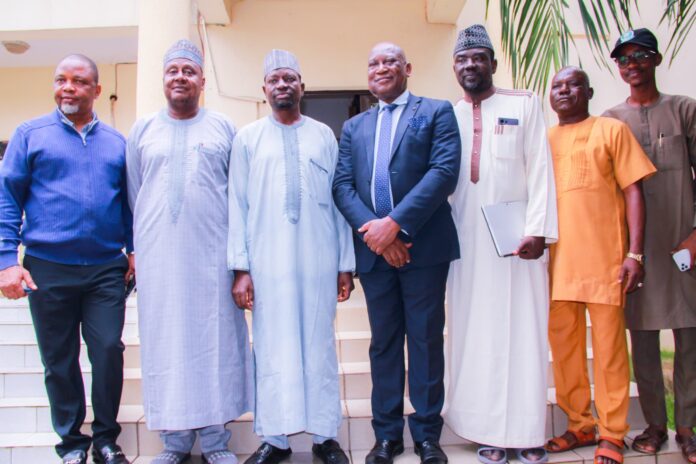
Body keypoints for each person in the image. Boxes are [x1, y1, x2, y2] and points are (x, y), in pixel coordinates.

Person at [0, 54, 133, 464]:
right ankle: (72, 444)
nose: (68, 88)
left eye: (78, 81)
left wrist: (134, 250)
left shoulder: (116, 142)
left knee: (108, 349)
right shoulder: (29, 135)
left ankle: (106, 439)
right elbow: (7, 197)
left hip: (105, 270)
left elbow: (128, 203)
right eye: (61, 80)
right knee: (58, 359)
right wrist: (7, 258)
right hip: (47, 267)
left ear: (96, 89)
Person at [333, 42, 461, 464]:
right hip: (374, 253)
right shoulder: (354, 127)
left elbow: (443, 171)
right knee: (384, 344)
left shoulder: (437, 111)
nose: (381, 68)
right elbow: (342, 186)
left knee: (425, 340)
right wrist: (377, 233)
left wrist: (396, 225)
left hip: (423, 248)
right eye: (373, 62)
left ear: (408, 67)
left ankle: (427, 436)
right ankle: (386, 436)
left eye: (390, 61)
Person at [126, 39, 252, 464]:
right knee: (167, 344)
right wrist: (137, 252)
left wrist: (240, 265)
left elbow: (238, 196)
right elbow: (134, 194)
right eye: (172, 71)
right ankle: (175, 441)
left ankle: (216, 440)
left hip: (212, 258)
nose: (180, 77)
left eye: (188, 71)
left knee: (213, 342)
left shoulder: (223, 128)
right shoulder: (142, 130)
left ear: (202, 80)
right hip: (160, 259)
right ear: (164, 80)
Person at [227, 49, 355, 464]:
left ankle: (324, 436)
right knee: (272, 345)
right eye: (274, 79)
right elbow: (237, 206)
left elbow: (339, 203)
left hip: (318, 259)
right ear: (264, 89)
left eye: (290, 78)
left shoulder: (323, 135)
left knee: (318, 345)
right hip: (267, 263)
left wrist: (344, 265)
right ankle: (277, 440)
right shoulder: (247, 139)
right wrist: (241, 269)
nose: (282, 85)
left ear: (302, 86)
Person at [443, 24, 558, 464]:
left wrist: (538, 231)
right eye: (462, 59)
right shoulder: (448, 114)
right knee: (476, 333)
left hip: (519, 244)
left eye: (478, 57)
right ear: (454, 66)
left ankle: (527, 433)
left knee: (523, 333)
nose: (470, 65)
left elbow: (540, 169)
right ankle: (485, 429)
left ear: (492, 62)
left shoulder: (523, 104)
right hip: (467, 246)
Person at [545, 66, 656, 464]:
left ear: (588, 92)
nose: (564, 91)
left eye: (573, 84)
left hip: (606, 260)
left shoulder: (611, 130)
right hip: (557, 265)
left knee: (609, 351)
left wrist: (634, 254)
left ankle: (612, 432)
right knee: (565, 350)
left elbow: (633, 190)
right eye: (556, 86)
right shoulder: (545, 139)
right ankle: (580, 424)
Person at [602, 28, 696, 464]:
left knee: (689, 337)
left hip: (682, 245)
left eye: (640, 55)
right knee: (641, 339)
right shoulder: (610, 119)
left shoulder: (684, 110)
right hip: (634, 251)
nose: (632, 64)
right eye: (623, 59)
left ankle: (687, 427)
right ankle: (656, 425)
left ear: (656, 60)